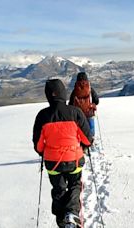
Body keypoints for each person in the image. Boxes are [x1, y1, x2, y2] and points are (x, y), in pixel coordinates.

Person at [33, 79, 93, 228]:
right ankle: (72, 215)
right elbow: (87, 139)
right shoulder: (75, 112)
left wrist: (43, 152)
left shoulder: (42, 116)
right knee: (75, 185)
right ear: (63, 93)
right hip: (74, 160)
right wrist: (84, 146)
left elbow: (38, 145)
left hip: (53, 163)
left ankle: (62, 220)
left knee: (58, 189)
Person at [69, 72, 99, 137]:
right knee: (91, 130)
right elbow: (96, 101)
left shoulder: (75, 90)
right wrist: (92, 104)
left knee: (80, 131)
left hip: (78, 115)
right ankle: (91, 140)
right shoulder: (90, 89)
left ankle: (82, 143)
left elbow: (70, 104)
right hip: (89, 113)